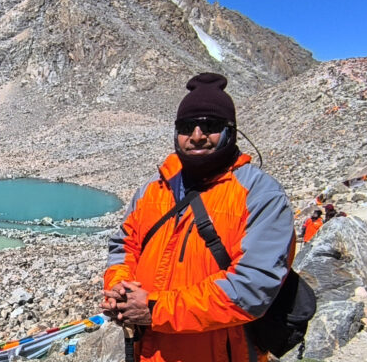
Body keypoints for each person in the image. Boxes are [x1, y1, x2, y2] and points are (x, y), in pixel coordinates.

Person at [101, 73, 295, 362]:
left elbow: (252, 288)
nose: (196, 135)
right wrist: (120, 287)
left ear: (232, 131)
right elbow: (124, 246)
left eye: (211, 126)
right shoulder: (152, 190)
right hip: (149, 351)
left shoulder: (260, 195)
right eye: (186, 126)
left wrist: (153, 308)